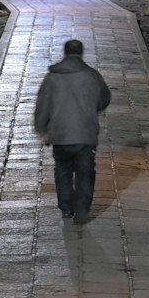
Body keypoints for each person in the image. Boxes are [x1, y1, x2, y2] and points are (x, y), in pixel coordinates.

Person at [33, 37, 111, 224]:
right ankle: (82, 209)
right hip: (85, 132)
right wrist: (92, 109)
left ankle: (66, 207)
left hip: (60, 133)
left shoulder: (52, 77)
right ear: (81, 53)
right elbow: (104, 98)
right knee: (85, 172)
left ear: (65, 53)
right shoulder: (92, 75)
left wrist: (41, 128)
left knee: (62, 170)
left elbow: (43, 105)